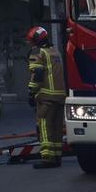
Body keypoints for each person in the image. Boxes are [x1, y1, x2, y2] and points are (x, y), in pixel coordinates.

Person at [25, 27, 64, 169]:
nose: (31, 44)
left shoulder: (38, 52)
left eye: (31, 41)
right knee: (57, 127)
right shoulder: (55, 51)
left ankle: (48, 158)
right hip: (60, 96)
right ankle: (57, 156)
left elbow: (38, 72)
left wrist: (31, 92)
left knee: (44, 126)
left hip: (46, 96)